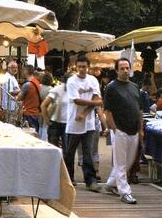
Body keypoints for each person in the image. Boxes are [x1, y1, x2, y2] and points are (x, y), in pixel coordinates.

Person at [103, 58, 142, 204]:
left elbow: (139, 110)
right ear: (117, 70)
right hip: (120, 129)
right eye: (122, 68)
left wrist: (141, 129)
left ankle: (111, 184)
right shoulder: (112, 87)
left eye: (127, 68)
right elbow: (107, 110)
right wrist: (114, 129)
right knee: (120, 163)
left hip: (134, 129)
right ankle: (125, 192)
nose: (125, 71)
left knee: (129, 161)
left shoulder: (134, 87)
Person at [64, 55, 103, 191]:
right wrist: (95, 103)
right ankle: (69, 179)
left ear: (88, 67)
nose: (82, 69)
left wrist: (85, 113)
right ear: (76, 67)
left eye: (84, 67)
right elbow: (77, 100)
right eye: (79, 67)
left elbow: (97, 97)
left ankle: (90, 180)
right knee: (70, 153)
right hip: (73, 122)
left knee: (88, 152)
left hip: (89, 123)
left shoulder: (93, 80)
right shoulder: (71, 81)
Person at [41, 72, 70, 157]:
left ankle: (66, 169)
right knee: (53, 149)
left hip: (68, 124)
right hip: (55, 123)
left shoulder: (75, 90)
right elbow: (43, 105)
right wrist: (46, 119)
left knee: (67, 151)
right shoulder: (57, 90)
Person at [18, 64, 42, 131]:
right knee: (34, 132)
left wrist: (19, 92)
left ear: (26, 71)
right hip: (35, 112)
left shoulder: (27, 84)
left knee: (28, 134)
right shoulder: (36, 82)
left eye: (23, 70)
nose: (22, 72)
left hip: (29, 113)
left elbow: (18, 98)